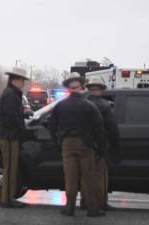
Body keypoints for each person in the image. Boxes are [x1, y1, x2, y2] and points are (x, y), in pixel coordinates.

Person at [49, 72, 106, 217]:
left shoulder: (60, 106)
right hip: (85, 144)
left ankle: (69, 208)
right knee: (88, 177)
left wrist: (58, 141)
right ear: (81, 88)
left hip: (67, 144)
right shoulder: (89, 105)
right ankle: (92, 209)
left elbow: (52, 125)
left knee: (70, 178)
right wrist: (100, 147)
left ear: (68, 88)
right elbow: (99, 128)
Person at [81, 76, 120, 211]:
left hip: (84, 145)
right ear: (101, 90)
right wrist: (115, 145)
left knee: (86, 174)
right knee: (100, 175)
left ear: (89, 89)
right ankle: (100, 203)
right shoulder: (105, 105)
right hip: (100, 145)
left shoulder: (82, 103)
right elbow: (112, 128)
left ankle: (85, 202)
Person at [0, 67, 28, 208]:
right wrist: (21, 127)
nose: (23, 84)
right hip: (9, 136)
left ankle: (8, 198)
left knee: (10, 167)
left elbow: (13, 114)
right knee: (10, 168)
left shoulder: (11, 94)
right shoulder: (10, 95)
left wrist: (23, 113)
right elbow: (11, 117)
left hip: (9, 135)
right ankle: (7, 199)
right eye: (22, 80)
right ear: (15, 80)